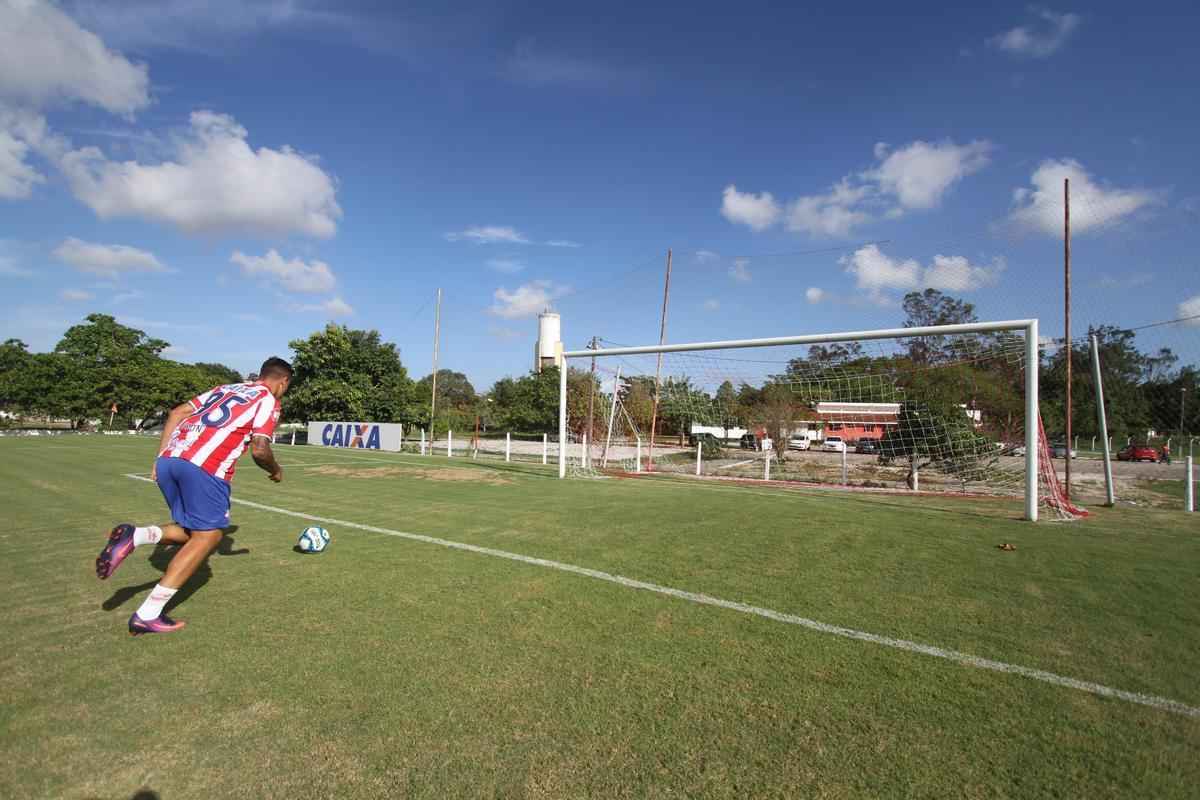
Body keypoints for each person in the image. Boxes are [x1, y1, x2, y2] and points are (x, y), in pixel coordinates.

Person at [96, 357, 293, 635]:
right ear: (282, 382)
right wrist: (276, 469)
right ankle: (147, 613)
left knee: (193, 531)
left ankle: (137, 536)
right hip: (204, 467)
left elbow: (176, 412)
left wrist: (161, 456)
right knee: (210, 536)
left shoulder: (225, 388)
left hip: (170, 460)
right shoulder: (268, 400)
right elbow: (260, 450)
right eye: (286, 386)